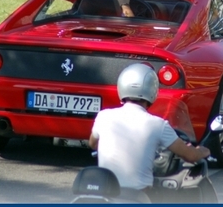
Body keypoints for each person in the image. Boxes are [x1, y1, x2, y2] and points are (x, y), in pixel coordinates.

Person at [88, 63, 210, 201]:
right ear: (152, 90)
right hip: (138, 197)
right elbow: (190, 156)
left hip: (105, 194)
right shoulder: (158, 125)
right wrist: (203, 151)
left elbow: (93, 143)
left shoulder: (104, 116)